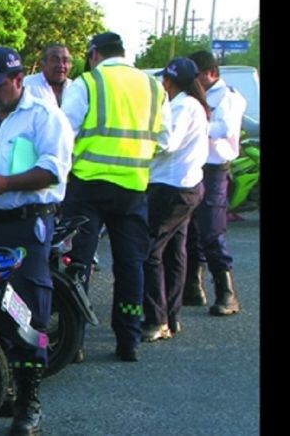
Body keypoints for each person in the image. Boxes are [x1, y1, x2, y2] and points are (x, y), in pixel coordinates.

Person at [0, 46, 73, 436]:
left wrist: (8, 184)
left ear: (18, 79)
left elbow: (53, 171)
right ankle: (1, 388)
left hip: (25, 227)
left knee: (28, 313)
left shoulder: (44, 117)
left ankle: (29, 403)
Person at [60, 32, 171, 362]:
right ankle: (128, 340)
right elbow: (167, 140)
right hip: (133, 188)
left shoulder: (88, 83)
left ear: (94, 53)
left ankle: (74, 340)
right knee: (130, 264)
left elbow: (65, 132)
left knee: (77, 263)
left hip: (87, 186)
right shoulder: (154, 87)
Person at [142, 57, 210, 342]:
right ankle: (171, 317)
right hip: (188, 185)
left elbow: (167, 142)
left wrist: (143, 140)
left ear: (170, 81)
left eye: (163, 80)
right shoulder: (196, 105)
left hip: (170, 187)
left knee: (150, 252)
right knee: (174, 252)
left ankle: (156, 320)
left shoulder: (180, 106)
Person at [182, 50, 247, 316]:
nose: (193, 81)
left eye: (196, 75)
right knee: (190, 232)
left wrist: (196, 123)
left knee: (211, 229)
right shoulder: (193, 97)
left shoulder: (228, 97)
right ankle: (193, 287)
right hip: (193, 166)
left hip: (215, 168)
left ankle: (226, 292)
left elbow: (223, 129)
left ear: (212, 73)